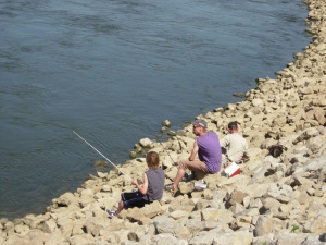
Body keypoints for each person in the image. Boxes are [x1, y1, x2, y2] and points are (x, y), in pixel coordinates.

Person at [107, 151, 165, 218]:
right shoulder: (161, 171)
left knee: (124, 197)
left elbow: (143, 192)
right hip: (158, 197)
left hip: (149, 200)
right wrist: (143, 186)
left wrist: (136, 183)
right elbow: (156, 183)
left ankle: (116, 213)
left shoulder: (146, 174)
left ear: (148, 162)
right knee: (135, 192)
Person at [172, 119, 222, 192]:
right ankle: (193, 177)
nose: (193, 128)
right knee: (194, 162)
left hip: (210, 166)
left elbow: (192, 158)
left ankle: (174, 186)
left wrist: (188, 161)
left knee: (183, 163)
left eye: (195, 127)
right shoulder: (213, 134)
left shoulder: (199, 140)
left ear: (201, 128)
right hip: (218, 165)